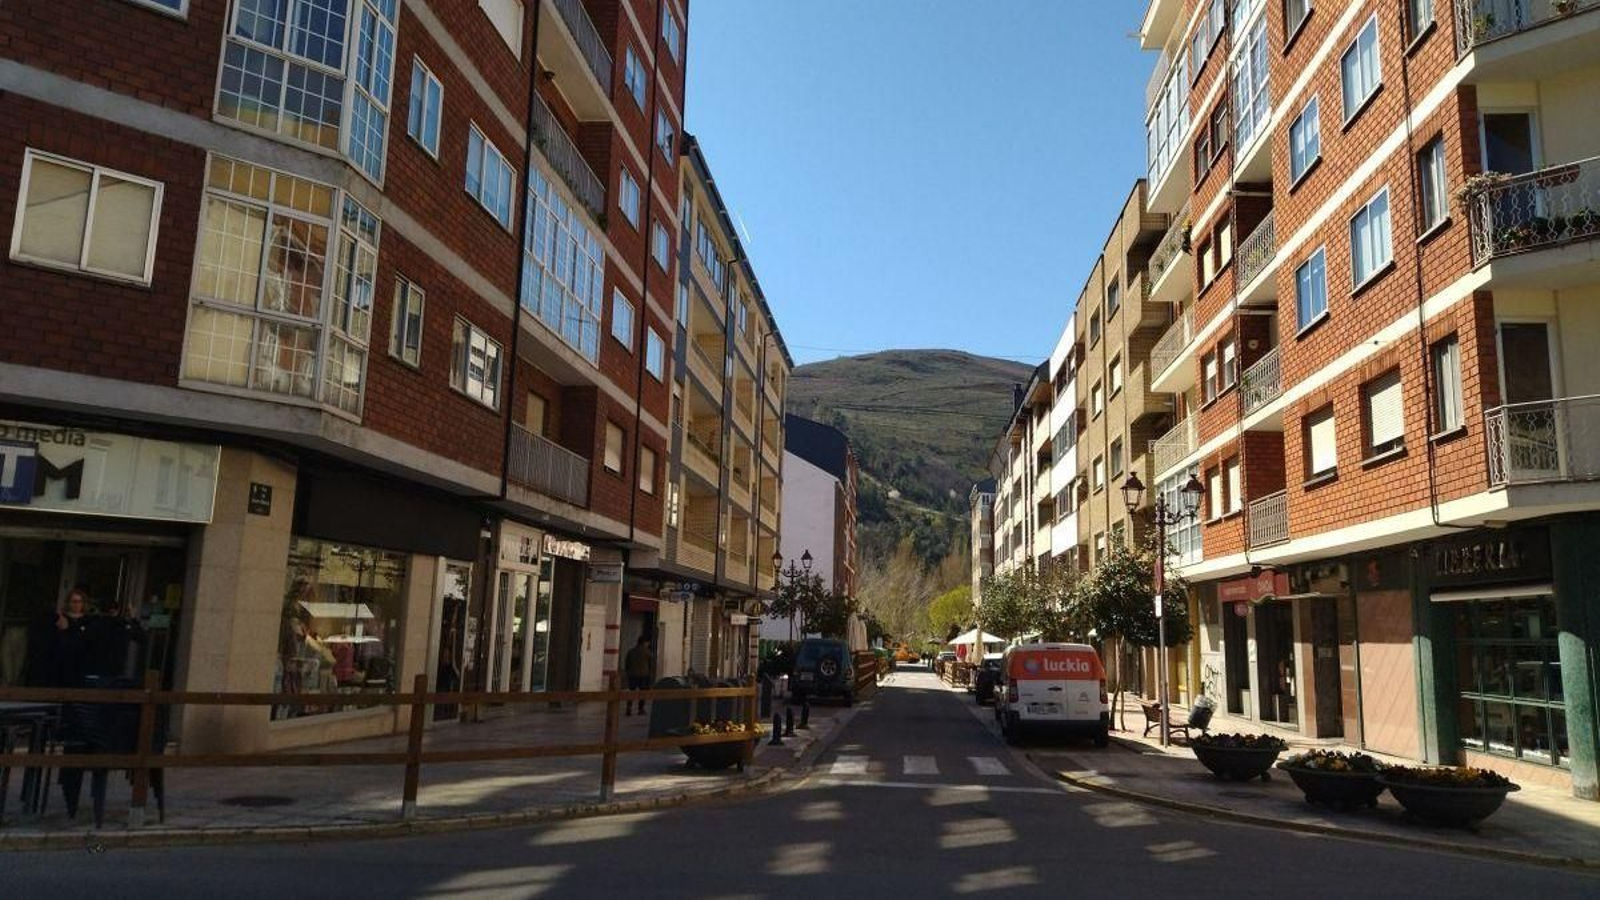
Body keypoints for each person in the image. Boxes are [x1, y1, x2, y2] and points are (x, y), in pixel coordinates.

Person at [624, 635, 654, 716]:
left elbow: (627, 663)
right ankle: (640, 709)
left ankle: (629, 708)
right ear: (644, 642)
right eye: (647, 642)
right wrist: (650, 675)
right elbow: (651, 664)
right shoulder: (647, 652)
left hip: (632, 674)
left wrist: (628, 672)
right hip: (643, 675)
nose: (648, 644)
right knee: (642, 692)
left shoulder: (631, 651)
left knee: (631, 691)